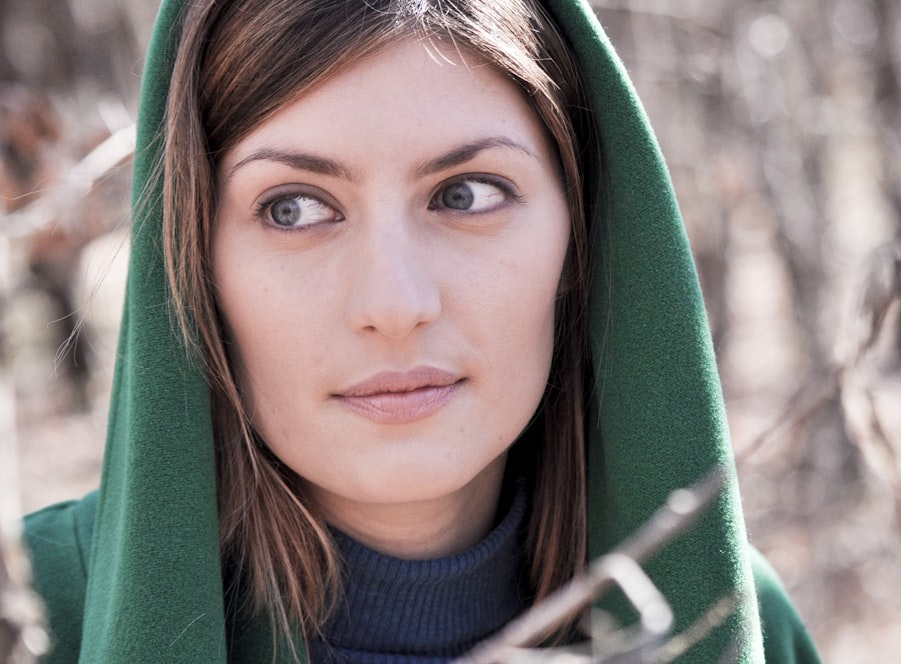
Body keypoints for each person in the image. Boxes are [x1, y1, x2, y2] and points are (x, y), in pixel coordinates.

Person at [23, 0, 821, 662]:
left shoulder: (730, 622)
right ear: (192, 262)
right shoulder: (33, 619)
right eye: (293, 207)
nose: (395, 303)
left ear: (583, 238)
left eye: (466, 194)